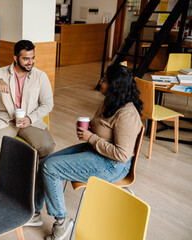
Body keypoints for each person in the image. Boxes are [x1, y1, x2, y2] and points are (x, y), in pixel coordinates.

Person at [27, 64, 143, 240]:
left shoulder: (127, 114)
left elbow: (122, 155)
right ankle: (35, 213)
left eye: (104, 80)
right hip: (96, 150)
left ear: (114, 86)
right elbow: (104, 130)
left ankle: (61, 222)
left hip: (112, 165)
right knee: (45, 162)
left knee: (51, 168)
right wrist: (89, 130)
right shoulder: (109, 101)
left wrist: (91, 138)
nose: (100, 83)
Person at [0, 40, 55, 174]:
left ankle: (33, 179)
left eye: (32, 58)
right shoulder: (1, 73)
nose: (30, 62)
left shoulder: (41, 76)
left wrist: (30, 118)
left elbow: (48, 104)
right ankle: (4, 184)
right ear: (15, 58)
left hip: (29, 121)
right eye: (25, 59)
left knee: (47, 146)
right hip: (6, 119)